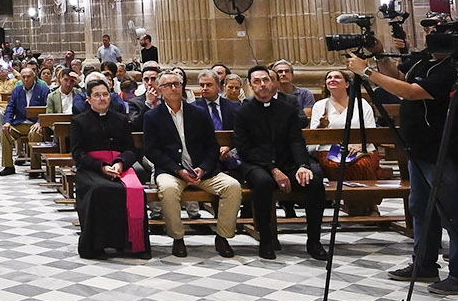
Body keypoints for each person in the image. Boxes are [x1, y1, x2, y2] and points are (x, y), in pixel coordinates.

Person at [347, 36, 458, 293]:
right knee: (420, 208)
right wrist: (379, 54)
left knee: (455, 212)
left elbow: (410, 92)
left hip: (446, 150)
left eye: (437, 32)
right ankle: (424, 263)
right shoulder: (426, 61)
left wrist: (366, 72)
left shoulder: (455, 67)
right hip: (420, 149)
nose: (430, 37)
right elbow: (400, 78)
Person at [232, 66, 329, 261]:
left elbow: (296, 141)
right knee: (263, 182)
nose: (262, 85)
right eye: (257, 81)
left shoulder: (287, 110)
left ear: (272, 82)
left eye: (266, 80)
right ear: (250, 85)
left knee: (315, 183)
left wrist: (303, 166)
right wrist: (273, 169)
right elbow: (245, 148)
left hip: (287, 164)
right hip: (257, 165)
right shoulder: (243, 112)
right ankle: (266, 240)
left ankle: (314, 241)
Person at [143, 70, 240, 257]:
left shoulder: (199, 113)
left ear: (182, 87)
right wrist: (178, 170)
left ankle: (223, 236)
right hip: (171, 171)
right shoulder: (152, 117)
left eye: (176, 84)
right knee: (168, 190)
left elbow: (212, 146)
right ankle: (178, 238)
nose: (173, 88)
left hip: (202, 171)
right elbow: (152, 150)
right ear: (160, 90)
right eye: (168, 85)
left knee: (232, 186)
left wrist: (203, 168)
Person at [70, 80, 149, 259]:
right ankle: (97, 245)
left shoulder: (121, 119)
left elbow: (131, 149)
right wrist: (102, 167)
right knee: (100, 190)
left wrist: (120, 163)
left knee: (135, 190)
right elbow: (78, 153)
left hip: (119, 166)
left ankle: (131, 244)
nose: (102, 98)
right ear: (89, 99)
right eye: (97, 95)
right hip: (92, 168)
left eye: (105, 94)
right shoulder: (79, 121)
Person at [0, 64, 50, 177]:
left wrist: (39, 122)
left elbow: (48, 108)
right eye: (24, 77)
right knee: (5, 132)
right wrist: (7, 122)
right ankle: (8, 166)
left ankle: (35, 167)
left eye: (28, 77)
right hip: (20, 123)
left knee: (34, 133)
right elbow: (10, 108)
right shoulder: (17, 90)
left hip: (35, 124)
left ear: (34, 77)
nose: (26, 79)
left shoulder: (43, 89)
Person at [309, 70, 381, 130]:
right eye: (329, 78)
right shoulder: (319, 105)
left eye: (337, 77)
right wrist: (321, 126)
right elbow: (314, 135)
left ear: (347, 84)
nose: (332, 79)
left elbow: (371, 129)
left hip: (358, 142)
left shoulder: (361, 103)